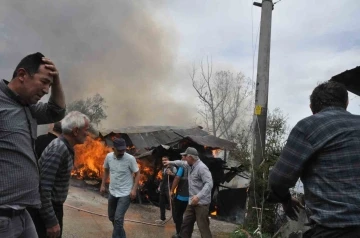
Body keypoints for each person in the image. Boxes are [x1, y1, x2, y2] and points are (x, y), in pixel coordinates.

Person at [268, 81, 360, 238]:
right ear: (346, 103)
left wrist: (285, 199)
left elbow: (278, 180)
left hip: (335, 229)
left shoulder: (308, 127)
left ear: (312, 108)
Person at [0, 52, 65, 238]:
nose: (46, 90)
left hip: (23, 213)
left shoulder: (28, 107)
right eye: (44, 82)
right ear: (22, 75)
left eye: (50, 85)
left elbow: (56, 111)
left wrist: (57, 80)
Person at [164, 147, 213, 238]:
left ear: (190, 157)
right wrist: (170, 162)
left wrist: (198, 197)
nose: (184, 158)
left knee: (203, 227)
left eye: (185, 156)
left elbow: (209, 184)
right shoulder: (189, 165)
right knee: (186, 223)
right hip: (191, 202)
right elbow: (181, 162)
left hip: (201, 203)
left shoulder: (202, 168)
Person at [100, 138, 141, 238]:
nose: (122, 152)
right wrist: (102, 184)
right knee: (112, 217)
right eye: (120, 150)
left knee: (118, 219)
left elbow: (137, 173)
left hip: (125, 193)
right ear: (113, 148)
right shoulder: (109, 157)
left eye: (124, 149)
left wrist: (134, 189)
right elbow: (106, 170)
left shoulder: (130, 159)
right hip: (113, 192)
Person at [170, 154, 189, 238]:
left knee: (179, 215)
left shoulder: (182, 167)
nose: (181, 157)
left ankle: (179, 234)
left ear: (186, 158)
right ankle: (186, 234)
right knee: (188, 216)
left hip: (181, 196)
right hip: (191, 196)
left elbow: (177, 178)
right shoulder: (194, 167)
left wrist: (171, 190)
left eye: (183, 156)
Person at [155, 156, 177, 224]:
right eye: (162, 160)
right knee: (161, 203)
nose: (164, 161)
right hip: (163, 188)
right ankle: (162, 218)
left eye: (165, 160)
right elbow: (162, 179)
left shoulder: (173, 167)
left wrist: (171, 174)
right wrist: (159, 186)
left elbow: (177, 177)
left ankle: (176, 220)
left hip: (169, 188)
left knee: (172, 204)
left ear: (169, 160)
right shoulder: (163, 168)